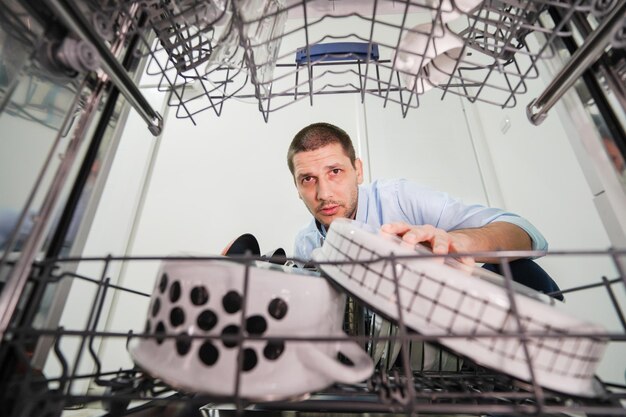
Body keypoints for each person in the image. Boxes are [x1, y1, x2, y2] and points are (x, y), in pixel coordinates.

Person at [287, 122, 562, 299]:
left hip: (447, 342)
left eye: (335, 172)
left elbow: (526, 232)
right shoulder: (306, 243)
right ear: (297, 187)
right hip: (381, 358)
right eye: (308, 179)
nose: (324, 194)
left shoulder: (400, 198)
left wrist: (457, 242)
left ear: (358, 170)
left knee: (524, 272)